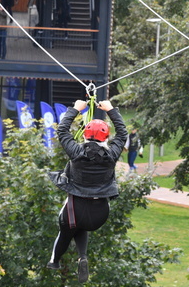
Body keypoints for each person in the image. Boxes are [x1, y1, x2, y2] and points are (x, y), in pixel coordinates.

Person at [48, 99, 128, 283]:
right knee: (81, 225)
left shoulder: (76, 152)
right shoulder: (112, 154)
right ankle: (82, 256)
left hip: (74, 210)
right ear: (106, 138)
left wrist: (76, 108)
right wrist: (110, 110)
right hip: (100, 214)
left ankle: (54, 261)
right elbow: (123, 133)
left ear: (84, 135)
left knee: (67, 229)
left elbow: (62, 130)